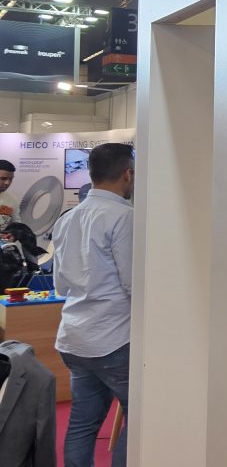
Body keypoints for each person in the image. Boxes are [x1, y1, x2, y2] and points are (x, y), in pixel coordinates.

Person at [51, 142, 135, 467]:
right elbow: (132, 284)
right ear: (127, 174)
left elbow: (60, 285)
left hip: (74, 338)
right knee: (140, 417)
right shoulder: (124, 218)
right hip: (113, 339)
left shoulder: (67, 219)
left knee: (82, 423)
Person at [0, 159, 17, 228]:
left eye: (10, 179)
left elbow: (16, 223)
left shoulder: (12, 200)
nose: (7, 183)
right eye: (3, 178)